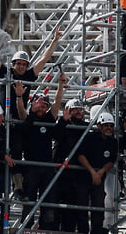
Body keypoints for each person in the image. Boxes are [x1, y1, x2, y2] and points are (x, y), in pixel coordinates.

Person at [16, 73, 66, 228]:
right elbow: (21, 111)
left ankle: (47, 228)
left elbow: (57, 102)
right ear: (33, 104)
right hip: (31, 167)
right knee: (29, 200)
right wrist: (19, 97)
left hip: (47, 166)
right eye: (39, 104)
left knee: (49, 200)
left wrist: (61, 84)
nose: (42, 107)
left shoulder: (49, 119)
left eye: (45, 105)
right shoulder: (29, 117)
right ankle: (26, 227)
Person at [0, 24, 61, 113]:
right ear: (13, 64)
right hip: (3, 115)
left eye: (24, 64)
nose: (21, 67)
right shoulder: (6, 72)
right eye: (18, 63)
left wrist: (55, 40)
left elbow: (43, 59)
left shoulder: (29, 75)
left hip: (20, 116)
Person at [78, 111, 119, 234]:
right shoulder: (90, 137)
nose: (109, 128)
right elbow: (80, 155)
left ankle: (96, 231)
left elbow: (112, 160)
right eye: (106, 125)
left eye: (111, 126)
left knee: (98, 205)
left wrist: (100, 172)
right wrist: (92, 171)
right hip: (84, 176)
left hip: (99, 178)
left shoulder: (113, 142)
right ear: (99, 126)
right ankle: (82, 231)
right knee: (82, 204)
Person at [53, 99, 90, 232]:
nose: (79, 112)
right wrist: (63, 120)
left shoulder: (85, 127)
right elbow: (56, 135)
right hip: (61, 174)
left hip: (78, 175)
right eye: (75, 110)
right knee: (57, 210)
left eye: (80, 109)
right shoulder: (62, 125)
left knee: (74, 213)